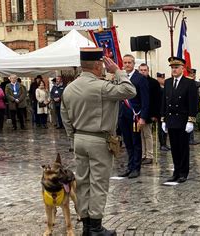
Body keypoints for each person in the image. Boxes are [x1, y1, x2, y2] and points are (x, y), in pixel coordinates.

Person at [61, 48, 136, 235]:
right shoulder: (101, 87)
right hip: (98, 140)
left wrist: (73, 137)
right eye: (102, 64)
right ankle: (95, 227)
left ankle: (86, 226)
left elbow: (65, 116)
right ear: (97, 65)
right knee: (99, 184)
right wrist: (118, 71)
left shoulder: (69, 88)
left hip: (79, 138)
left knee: (83, 183)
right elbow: (130, 90)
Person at [161, 57, 198, 183]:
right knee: (174, 148)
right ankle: (176, 171)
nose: (174, 70)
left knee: (183, 148)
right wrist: (163, 119)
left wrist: (191, 120)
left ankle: (183, 172)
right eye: (172, 68)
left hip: (183, 120)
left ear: (182, 68)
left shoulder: (189, 83)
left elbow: (193, 103)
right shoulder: (167, 82)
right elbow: (164, 102)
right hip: (171, 120)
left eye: (176, 67)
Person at [118, 54, 150, 179]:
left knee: (136, 142)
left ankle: (136, 168)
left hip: (135, 115)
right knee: (127, 142)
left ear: (133, 63)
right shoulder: (121, 77)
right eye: (125, 62)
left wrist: (143, 117)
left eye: (129, 63)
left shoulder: (140, 78)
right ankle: (130, 166)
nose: (127, 65)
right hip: (123, 115)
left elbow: (145, 100)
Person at [138, 63, 162, 165]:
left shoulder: (154, 83)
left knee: (148, 135)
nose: (143, 72)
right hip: (139, 112)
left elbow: (157, 100)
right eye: (141, 70)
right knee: (140, 135)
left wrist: (155, 114)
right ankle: (143, 154)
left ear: (148, 71)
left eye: (145, 70)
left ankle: (149, 155)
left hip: (150, 113)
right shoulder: (137, 81)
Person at [156, 72, 170, 151]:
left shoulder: (164, 87)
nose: (163, 80)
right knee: (161, 127)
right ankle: (162, 144)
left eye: (163, 78)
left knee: (165, 127)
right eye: (161, 78)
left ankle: (165, 143)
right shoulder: (157, 88)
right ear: (158, 78)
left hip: (165, 110)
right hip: (159, 111)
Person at [188, 68, 200, 145]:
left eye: (194, 74)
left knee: (192, 123)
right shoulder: (190, 83)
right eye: (191, 74)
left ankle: (191, 138)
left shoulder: (193, 82)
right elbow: (197, 84)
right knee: (190, 122)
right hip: (190, 108)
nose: (193, 76)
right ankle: (190, 139)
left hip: (195, 106)